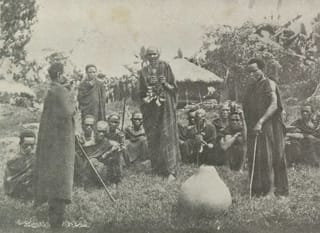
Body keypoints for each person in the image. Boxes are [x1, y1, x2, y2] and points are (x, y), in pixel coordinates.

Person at [33, 63, 76, 229]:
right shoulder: (59, 91)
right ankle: (56, 220)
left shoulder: (52, 89)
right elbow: (68, 111)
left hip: (52, 140)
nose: (67, 77)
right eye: (65, 74)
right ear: (59, 74)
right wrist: (72, 96)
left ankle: (54, 213)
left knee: (53, 175)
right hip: (60, 142)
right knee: (60, 176)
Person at [243, 58, 289, 198]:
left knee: (271, 156)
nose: (251, 75)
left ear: (262, 69)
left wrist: (261, 121)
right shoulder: (251, 87)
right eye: (249, 72)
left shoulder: (269, 83)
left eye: (254, 71)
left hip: (270, 125)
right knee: (258, 156)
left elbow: (274, 104)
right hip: (256, 126)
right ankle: (260, 189)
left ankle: (273, 190)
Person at [138, 46, 180, 181]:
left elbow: (175, 88)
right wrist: (145, 97)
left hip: (165, 107)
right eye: (149, 55)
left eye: (154, 54)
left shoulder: (165, 66)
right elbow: (140, 92)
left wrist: (165, 83)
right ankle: (157, 167)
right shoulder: (143, 71)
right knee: (153, 135)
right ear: (146, 56)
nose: (152, 57)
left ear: (158, 54)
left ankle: (171, 171)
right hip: (151, 109)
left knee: (167, 135)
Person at [3, 130, 36, 200]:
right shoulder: (12, 162)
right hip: (18, 194)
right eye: (26, 145)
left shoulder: (37, 159)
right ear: (20, 144)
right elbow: (9, 183)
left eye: (32, 145)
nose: (29, 148)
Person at [105, 114, 125, 187]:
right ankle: (108, 178)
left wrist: (120, 147)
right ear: (108, 122)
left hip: (116, 152)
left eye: (116, 122)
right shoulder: (105, 132)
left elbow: (122, 145)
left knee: (117, 160)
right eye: (112, 122)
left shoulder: (120, 133)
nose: (113, 124)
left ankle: (117, 178)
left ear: (119, 123)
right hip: (106, 151)